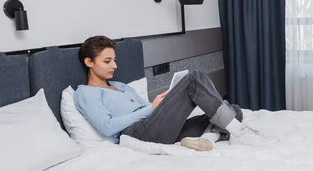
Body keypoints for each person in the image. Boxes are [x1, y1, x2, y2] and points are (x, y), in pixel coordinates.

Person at [74, 36, 275, 151]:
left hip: (156, 126)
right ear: (89, 62)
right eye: (107, 61)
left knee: (233, 110)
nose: (114, 66)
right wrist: (150, 109)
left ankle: (207, 140)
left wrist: (159, 106)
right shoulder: (86, 93)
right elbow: (107, 127)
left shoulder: (121, 85)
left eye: (115, 60)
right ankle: (238, 133)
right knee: (194, 78)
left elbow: (148, 110)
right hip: (137, 133)